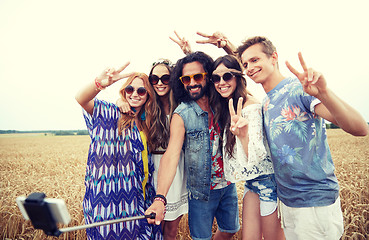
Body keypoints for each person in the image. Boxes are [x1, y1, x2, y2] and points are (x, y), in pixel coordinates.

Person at [236, 36, 369, 239]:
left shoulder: (299, 89)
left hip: (315, 202)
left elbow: (359, 128)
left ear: (274, 58)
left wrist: (324, 93)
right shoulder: (266, 102)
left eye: (255, 60)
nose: (249, 67)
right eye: (245, 64)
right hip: (288, 202)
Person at [145, 52, 240, 240]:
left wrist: (225, 45)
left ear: (208, 76)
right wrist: (160, 198)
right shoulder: (182, 114)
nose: (192, 83)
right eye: (186, 79)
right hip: (201, 191)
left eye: (198, 76)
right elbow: (171, 155)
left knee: (230, 229)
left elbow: (238, 77)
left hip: (228, 184)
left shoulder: (222, 102)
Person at [75, 63, 162, 240]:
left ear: (148, 96)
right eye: (130, 89)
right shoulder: (110, 114)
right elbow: (81, 99)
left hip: (140, 200)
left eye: (141, 91)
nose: (135, 94)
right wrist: (99, 83)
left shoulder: (148, 125)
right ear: (124, 91)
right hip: (108, 206)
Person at [211, 54, 285, 239]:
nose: (221, 82)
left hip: (269, 183)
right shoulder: (230, 105)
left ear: (238, 77)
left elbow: (257, 154)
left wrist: (243, 136)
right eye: (216, 78)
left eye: (227, 76)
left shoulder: (249, 106)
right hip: (252, 183)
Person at [117, 59, 188, 240]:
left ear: (173, 79)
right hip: (150, 169)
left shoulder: (182, 105)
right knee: (153, 227)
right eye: (154, 78)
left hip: (175, 167)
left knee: (171, 230)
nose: (159, 82)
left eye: (165, 78)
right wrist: (120, 100)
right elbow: (128, 99)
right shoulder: (148, 106)